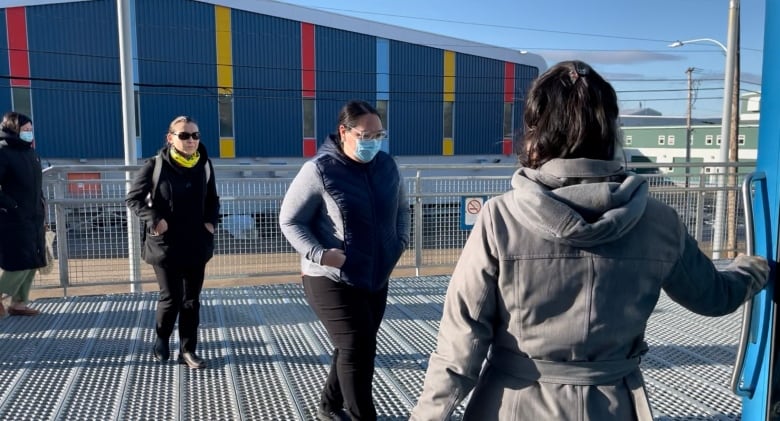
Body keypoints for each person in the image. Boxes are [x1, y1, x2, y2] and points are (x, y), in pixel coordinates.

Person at [409, 60, 770, 421]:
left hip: (512, 404)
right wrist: (755, 266)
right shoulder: (660, 221)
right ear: (611, 129)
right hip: (615, 404)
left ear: (537, 130)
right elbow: (714, 297)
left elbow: (460, 347)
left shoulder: (500, 218)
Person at [279, 100, 410, 421]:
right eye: (366, 135)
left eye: (379, 135)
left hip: (375, 274)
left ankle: (328, 406)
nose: (373, 142)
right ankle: (363, 416)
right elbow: (290, 220)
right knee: (357, 348)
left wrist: (399, 243)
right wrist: (321, 254)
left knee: (353, 345)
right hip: (328, 277)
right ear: (344, 132)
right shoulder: (319, 169)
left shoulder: (386, 165)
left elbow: (402, 208)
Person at [126, 116, 219, 369]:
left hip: (196, 244)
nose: (191, 140)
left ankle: (188, 350)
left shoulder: (205, 164)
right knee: (172, 297)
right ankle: (162, 339)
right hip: (165, 245)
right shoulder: (155, 165)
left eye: (195, 135)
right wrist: (154, 218)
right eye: (184, 135)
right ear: (170, 138)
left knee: (192, 300)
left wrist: (211, 223)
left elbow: (212, 199)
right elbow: (133, 199)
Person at [0, 112, 45, 317]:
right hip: (14, 218)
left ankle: (19, 304)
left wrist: (42, 204)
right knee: (19, 262)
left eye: (30, 130)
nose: (29, 133)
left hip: (34, 215)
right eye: (25, 130)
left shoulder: (31, 153)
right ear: (14, 129)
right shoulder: (4, 151)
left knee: (33, 260)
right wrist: (12, 206)